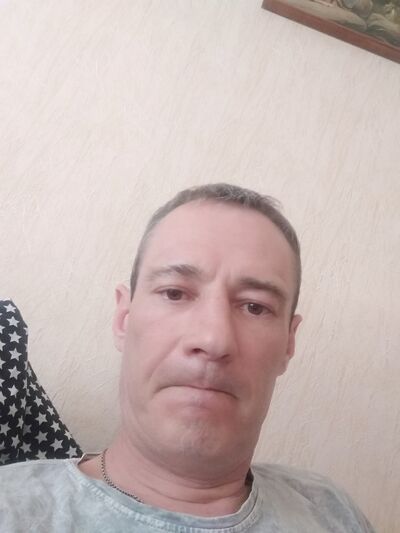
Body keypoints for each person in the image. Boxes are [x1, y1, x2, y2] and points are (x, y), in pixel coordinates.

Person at [0, 183, 375, 532]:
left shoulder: (331, 510)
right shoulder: (12, 509)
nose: (213, 340)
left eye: (255, 307)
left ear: (288, 344)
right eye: (175, 293)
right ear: (124, 318)